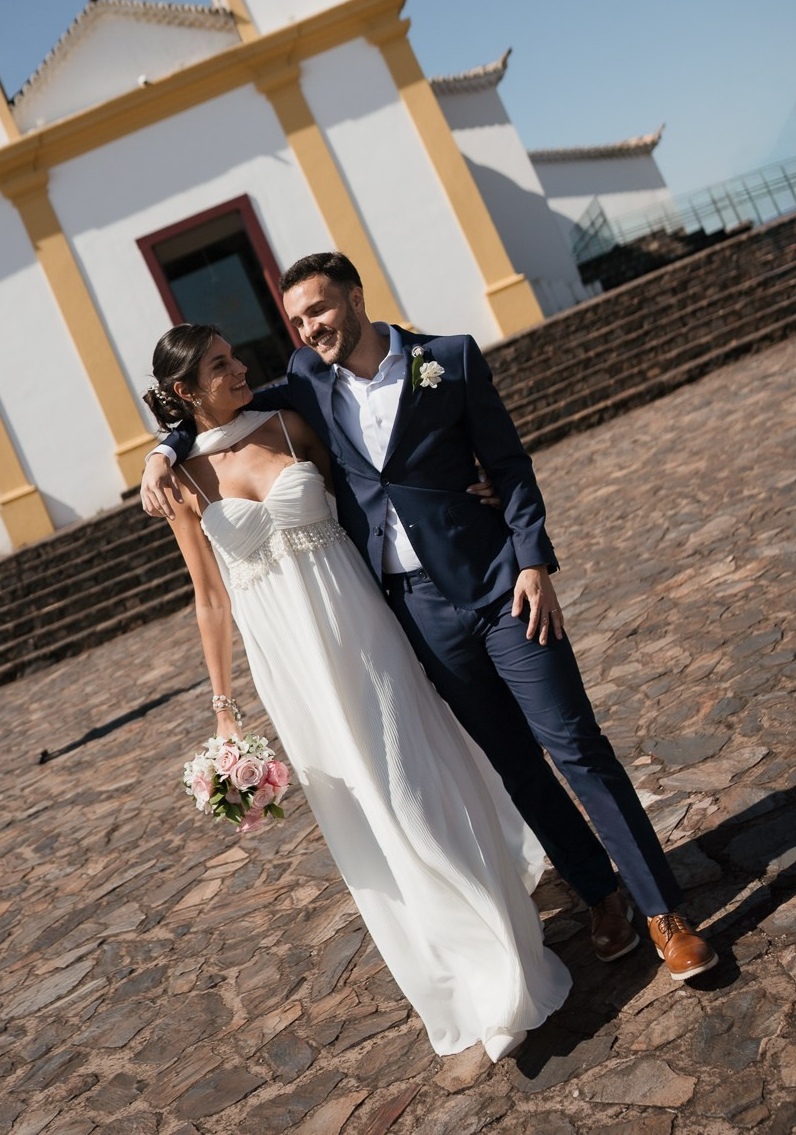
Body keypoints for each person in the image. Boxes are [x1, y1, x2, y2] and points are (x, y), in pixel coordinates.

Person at [142, 253, 717, 983]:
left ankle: (666, 912)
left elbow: (508, 465)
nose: (309, 328)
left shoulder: (448, 360)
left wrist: (532, 560)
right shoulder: (307, 385)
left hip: (503, 589)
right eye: (297, 320)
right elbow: (215, 416)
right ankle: (601, 893)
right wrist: (161, 451)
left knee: (575, 745)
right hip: (413, 613)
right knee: (517, 767)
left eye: (319, 310)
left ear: (354, 297)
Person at [144, 321, 571, 1061]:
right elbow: (209, 598)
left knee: (412, 778)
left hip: (362, 629)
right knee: (368, 806)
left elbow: (373, 497)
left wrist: (463, 493)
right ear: (186, 391)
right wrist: (223, 710)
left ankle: (500, 937)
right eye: (219, 365)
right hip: (291, 665)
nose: (241, 366)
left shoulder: (288, 422)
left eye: (233, 354)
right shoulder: (179, 481)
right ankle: (456, 962)